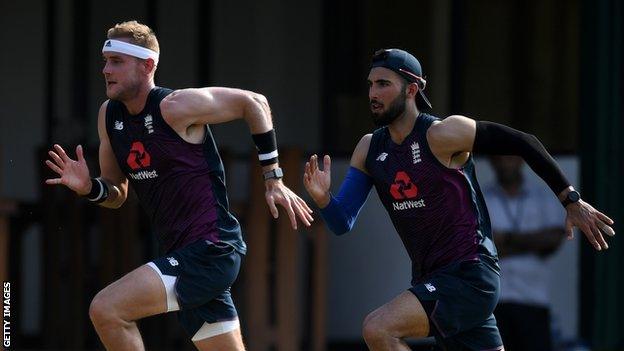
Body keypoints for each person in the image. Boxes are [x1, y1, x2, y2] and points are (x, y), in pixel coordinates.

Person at [303, 48, 615, 351]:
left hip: (469, 275)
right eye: (370, 84)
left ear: (411, 89)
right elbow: (342, 222)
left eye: (383, 84)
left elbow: (524, 142)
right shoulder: (369, 149)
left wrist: (571, 199)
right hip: (433, 281)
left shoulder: (442, 134)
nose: (373, 92)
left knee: (378, 327)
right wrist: (323, 198)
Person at [44, 20, 313, 351]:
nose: (105, 70)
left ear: (147, 65)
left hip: (210, 249)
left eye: (116, 62)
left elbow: (253, 103)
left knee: (107, 309)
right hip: (180, 252)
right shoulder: (108, 116)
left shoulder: (174, 107)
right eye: (104, 61)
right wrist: (89, 188)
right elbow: (117, 193)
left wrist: (273, 178)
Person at [483, 156, 565, 350]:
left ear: (521, 160)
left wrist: (507, 239)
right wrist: (532, 243)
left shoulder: (542, 196)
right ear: (492, 162)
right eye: (499, 158)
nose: (504, 163)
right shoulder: (482, 197)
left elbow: (553, 240)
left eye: (509, 157)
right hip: (493, 303)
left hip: (533, 300)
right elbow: (479, 247)